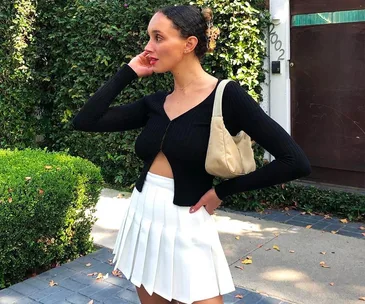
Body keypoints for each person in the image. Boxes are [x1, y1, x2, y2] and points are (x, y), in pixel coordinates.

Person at [72, 5, 311, 304]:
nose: (148, 47)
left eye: (158, 37)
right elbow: (85, 121)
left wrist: (222, 192)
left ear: (189, 44)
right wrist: (129, 72)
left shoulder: (227, 96)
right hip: (143, 213)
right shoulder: (155, 103)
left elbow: (295, 161)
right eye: (149, 37)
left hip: (188, 220)